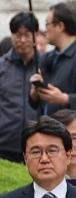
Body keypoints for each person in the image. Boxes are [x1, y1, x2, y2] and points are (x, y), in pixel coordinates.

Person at [29, 3, 76, 138]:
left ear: (60, 26)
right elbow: (36, 103)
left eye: (47, 24)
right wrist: (35, 92)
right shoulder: (46, 58)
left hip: (72, 137)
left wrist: (65, 98)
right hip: (46, 133)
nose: (45, 30)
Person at [0, 12, 39, 162]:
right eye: (17, 35)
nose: (22, 40)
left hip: (37, 142)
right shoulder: (2, 66)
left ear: (35, 35)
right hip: (5, 143)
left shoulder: (44, 66)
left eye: (27, 35)